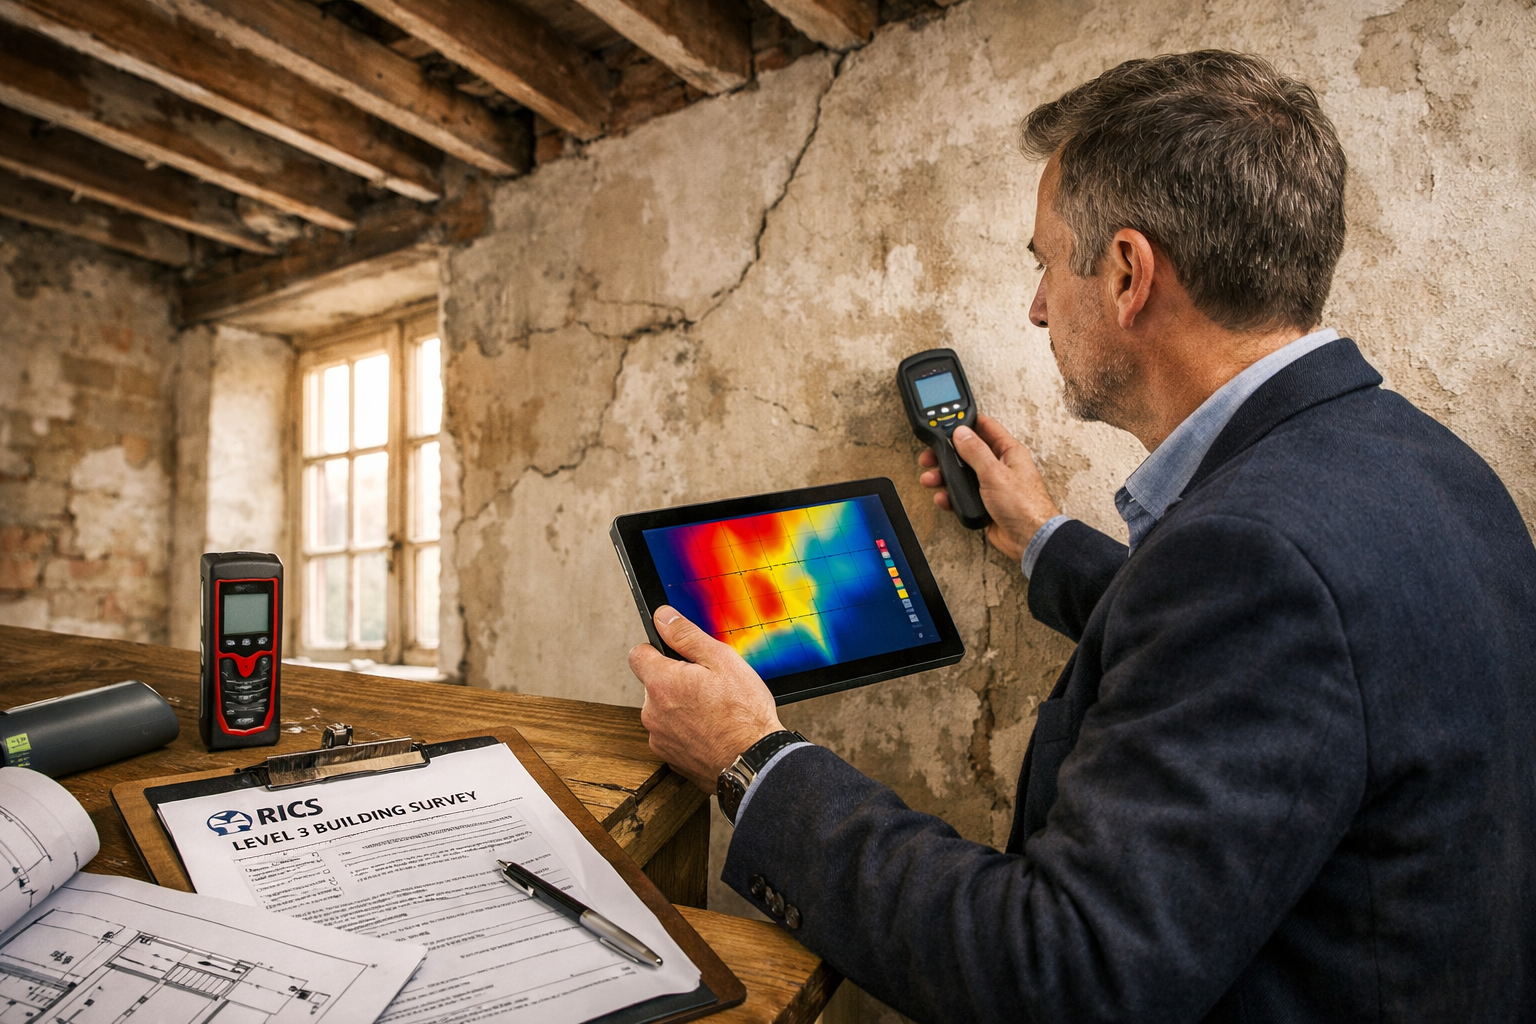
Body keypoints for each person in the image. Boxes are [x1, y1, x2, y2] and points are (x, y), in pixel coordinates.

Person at [628, 50, 1536, 1021]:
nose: (1034, 305)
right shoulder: (1430, 466)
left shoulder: (1252, 558)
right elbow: (1286, 669)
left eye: (1045, 262)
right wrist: (1043, 537)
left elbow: (1063, 975)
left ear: (1127, 272)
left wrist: (752, 761)